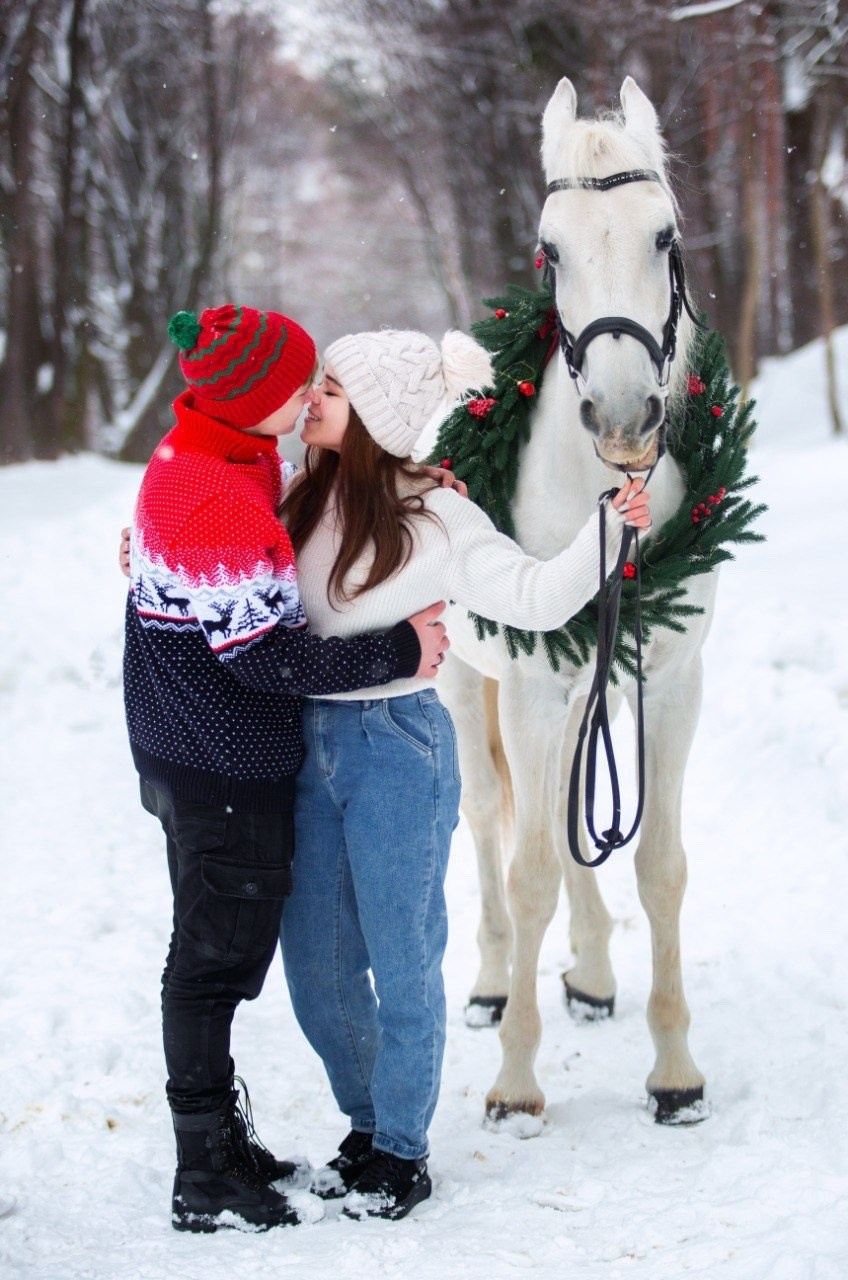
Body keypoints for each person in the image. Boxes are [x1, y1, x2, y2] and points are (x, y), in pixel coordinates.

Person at [276, 328, 651, 1221]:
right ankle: (368, 1121)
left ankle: (399, 1150)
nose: (310, 399)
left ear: (376, 414)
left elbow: (533, 597)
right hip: (303, 747)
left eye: (331, 389)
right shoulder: (293, 496)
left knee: (403, 961)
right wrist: (147, 552)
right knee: (318, 969)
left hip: (396, 748)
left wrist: (608, 529)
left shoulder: (440, 519)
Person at [123, 303, 450, 1235]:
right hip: (218, 764)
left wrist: (411, 482)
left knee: (218, 953)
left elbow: (267, 525)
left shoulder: (222, 456)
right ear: (251, 400)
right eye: (298, 385)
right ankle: (204, 1171)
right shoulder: (218, 493)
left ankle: (221, 1149)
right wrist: (399, 649)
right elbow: (264, 656)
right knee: (213, 964)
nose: (310, 398)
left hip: (190, 748)